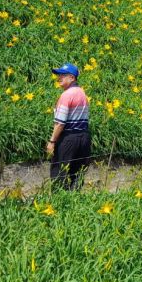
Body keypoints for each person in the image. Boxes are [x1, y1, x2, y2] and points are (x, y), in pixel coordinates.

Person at [47, 63, 92, 191]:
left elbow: (60, 122)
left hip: (68, 138)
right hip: (84, 137)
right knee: (77, 173)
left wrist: (52, 142)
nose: (59, 78)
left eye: (63, 75)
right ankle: (75, 203)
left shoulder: (66, 95)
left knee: (59, 172)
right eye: (58, 75)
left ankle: (59, 203)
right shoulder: (82, 94)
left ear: (72, 78)